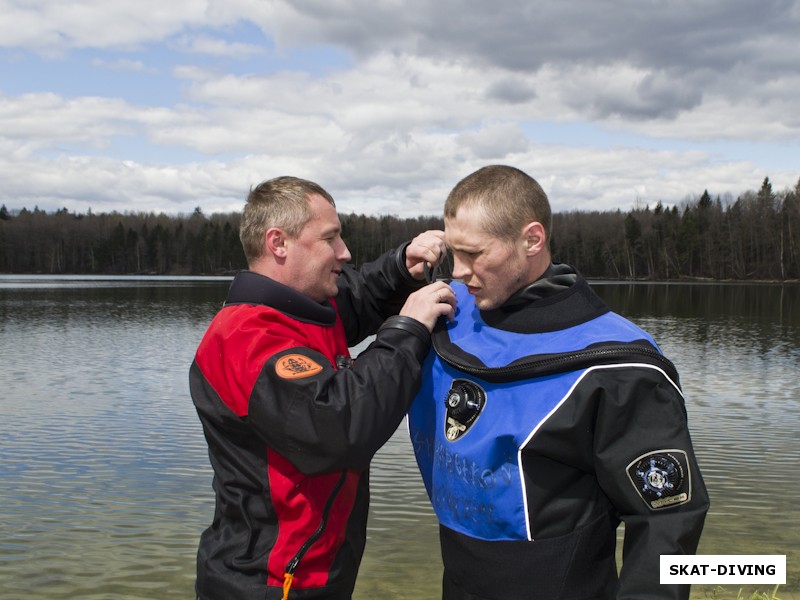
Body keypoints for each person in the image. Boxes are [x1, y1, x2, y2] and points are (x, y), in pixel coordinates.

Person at [408, 165, 709, 600]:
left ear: (532, 239)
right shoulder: (444, 318)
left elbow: (668, 519)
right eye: (452, 253)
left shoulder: (620, 368)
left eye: (473, 254)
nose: (457, 272)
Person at [190, 175, 455, 600]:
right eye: (330, 239)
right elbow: (338, 426)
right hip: (268, 583)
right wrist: (409, 329)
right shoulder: (245, 338)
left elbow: (358, 295)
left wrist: (404, 264)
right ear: (278, 243)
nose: (344, 252)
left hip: (312, 574)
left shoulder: (306, 306)